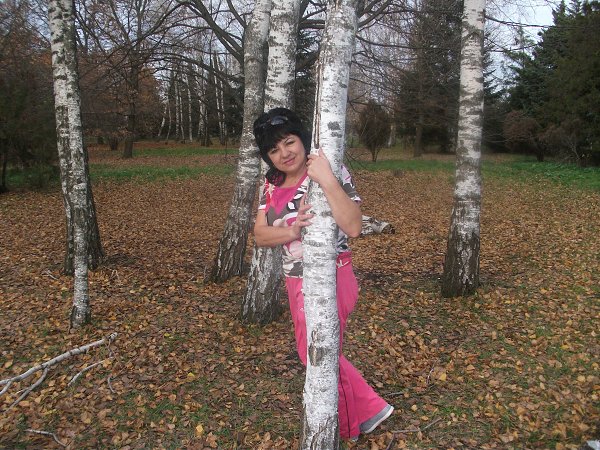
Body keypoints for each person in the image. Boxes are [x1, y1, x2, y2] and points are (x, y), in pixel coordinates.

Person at [252, 107, 393, 440]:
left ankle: (350, 423)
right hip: (295, 279)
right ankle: (369, 411)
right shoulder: (270, 184)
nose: (284, 153)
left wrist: (327, 179)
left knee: (318, 353)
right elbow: (259, 235)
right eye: (273, 149)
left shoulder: (328, 169)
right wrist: (292, 230)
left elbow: (354, 226)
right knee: (315, 352)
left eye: (289, 142)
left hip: (332, 275)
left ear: (302, 139)